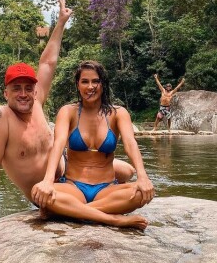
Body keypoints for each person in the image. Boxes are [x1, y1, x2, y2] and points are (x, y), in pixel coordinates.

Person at [0, 0, 134, 230]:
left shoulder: (37, 101)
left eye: (27, 88)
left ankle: (84, 208)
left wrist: (61, 22)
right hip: (45, 189)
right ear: (5, 93)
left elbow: (48, 63)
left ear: (34, 90)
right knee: (104, 187)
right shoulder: (0, 120)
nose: (23, 94)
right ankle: (103, 214)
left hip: (72, 174)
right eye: (16, 89)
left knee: (127, 171)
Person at [31, 60, 154, 230]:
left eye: (96, 81)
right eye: (85, 81)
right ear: (77, 85)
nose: (90, 87)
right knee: (37, 192)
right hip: (73, 187)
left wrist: (143, 176)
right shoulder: (68, 112)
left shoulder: (118, 113)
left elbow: (130, 143)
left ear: (103, 84)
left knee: (143, 193)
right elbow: (58, 145)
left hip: (107, 189)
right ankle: (113, 219)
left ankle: (71, 212)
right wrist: (47, 180)